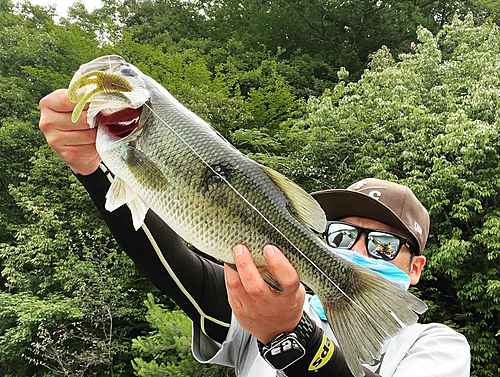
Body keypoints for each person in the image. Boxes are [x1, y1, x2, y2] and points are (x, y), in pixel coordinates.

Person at [39, 89, 470, 377]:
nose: (357, 249)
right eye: (340, 236)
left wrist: (290, 336)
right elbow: (171, 265)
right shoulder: (253, 308)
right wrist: (94, 168)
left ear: (415, 268)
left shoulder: (436, 346)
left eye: (382, 244)